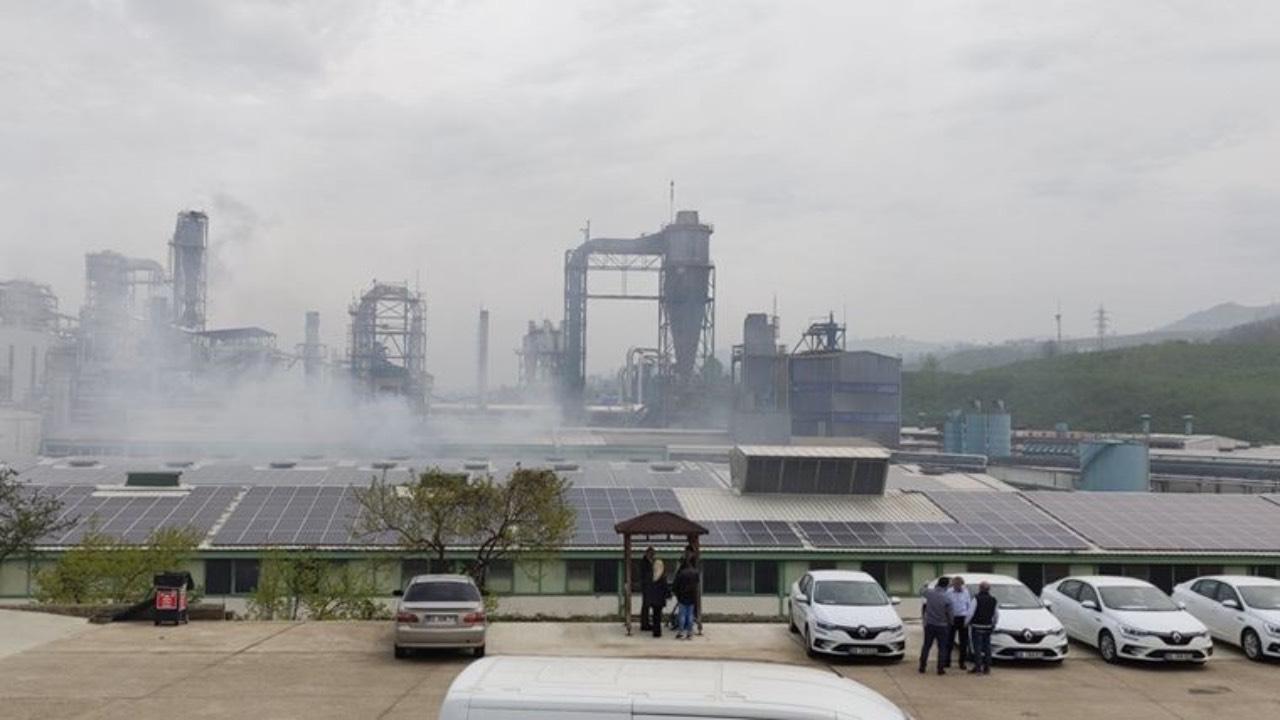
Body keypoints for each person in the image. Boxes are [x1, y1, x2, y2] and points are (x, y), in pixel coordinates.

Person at [919, 577, 954, 675]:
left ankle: (922, 666)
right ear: (947, 585)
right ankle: (940, 668)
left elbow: (921, 591)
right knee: (942, 647)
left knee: (926, 645)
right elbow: (950, 614)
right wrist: (951, 622)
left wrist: (925, 584)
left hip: (930, 624)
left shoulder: (930, 593)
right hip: (942, 625)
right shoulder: (948, 598)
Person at [966, 581, 999, 675]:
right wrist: (994, 624)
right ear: (989, 589)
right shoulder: (993, 600)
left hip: (976, 626)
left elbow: (970, 613)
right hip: (988, 626)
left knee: (977, 648)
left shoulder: (976, 599)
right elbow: (996, 614)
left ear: (980, 588)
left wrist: (966, 623)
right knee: (987, 648)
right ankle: (987, 668)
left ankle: (978, 668)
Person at [945, 576, 973, 670]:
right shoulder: (948, 592)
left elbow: (969, 606)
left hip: (963, 618)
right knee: (949, 641)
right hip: (952, 618)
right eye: (955, 584)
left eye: (959, 584)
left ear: (962, 584)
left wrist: (967, 620)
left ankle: (962, 662)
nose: (957, 586)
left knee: (963, 642)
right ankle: (947, 661)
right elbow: (946, 605)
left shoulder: (966, 592)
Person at [672, 559, 700, 640]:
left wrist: (677, 593)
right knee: (690, 615)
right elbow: (697, 584)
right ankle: (689, 632)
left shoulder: (681, 573)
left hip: (683, 596)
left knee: (682, 615)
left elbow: (676, 585)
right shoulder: (695, 573)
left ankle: (681, 632)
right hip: (692, 596)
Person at [643, 557, 669, 638]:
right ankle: (658, 632)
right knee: (658, 615)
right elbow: (665, 588)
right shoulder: (663, 577)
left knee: (654, 615)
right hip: (660, 599)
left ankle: (655, 631)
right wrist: (667, 595)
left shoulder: (650, 575)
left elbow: (648, 587)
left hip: (653, 599)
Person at [638, 547, 656, 632]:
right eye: (651, 553)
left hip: (651, 586)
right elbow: (645, 574)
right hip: (646, 586)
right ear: (647, 553)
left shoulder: (652, 561)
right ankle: (644, 624)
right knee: (646, 605)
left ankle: (647, 623)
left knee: (648, 605)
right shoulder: (644, 562)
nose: (653, 555)